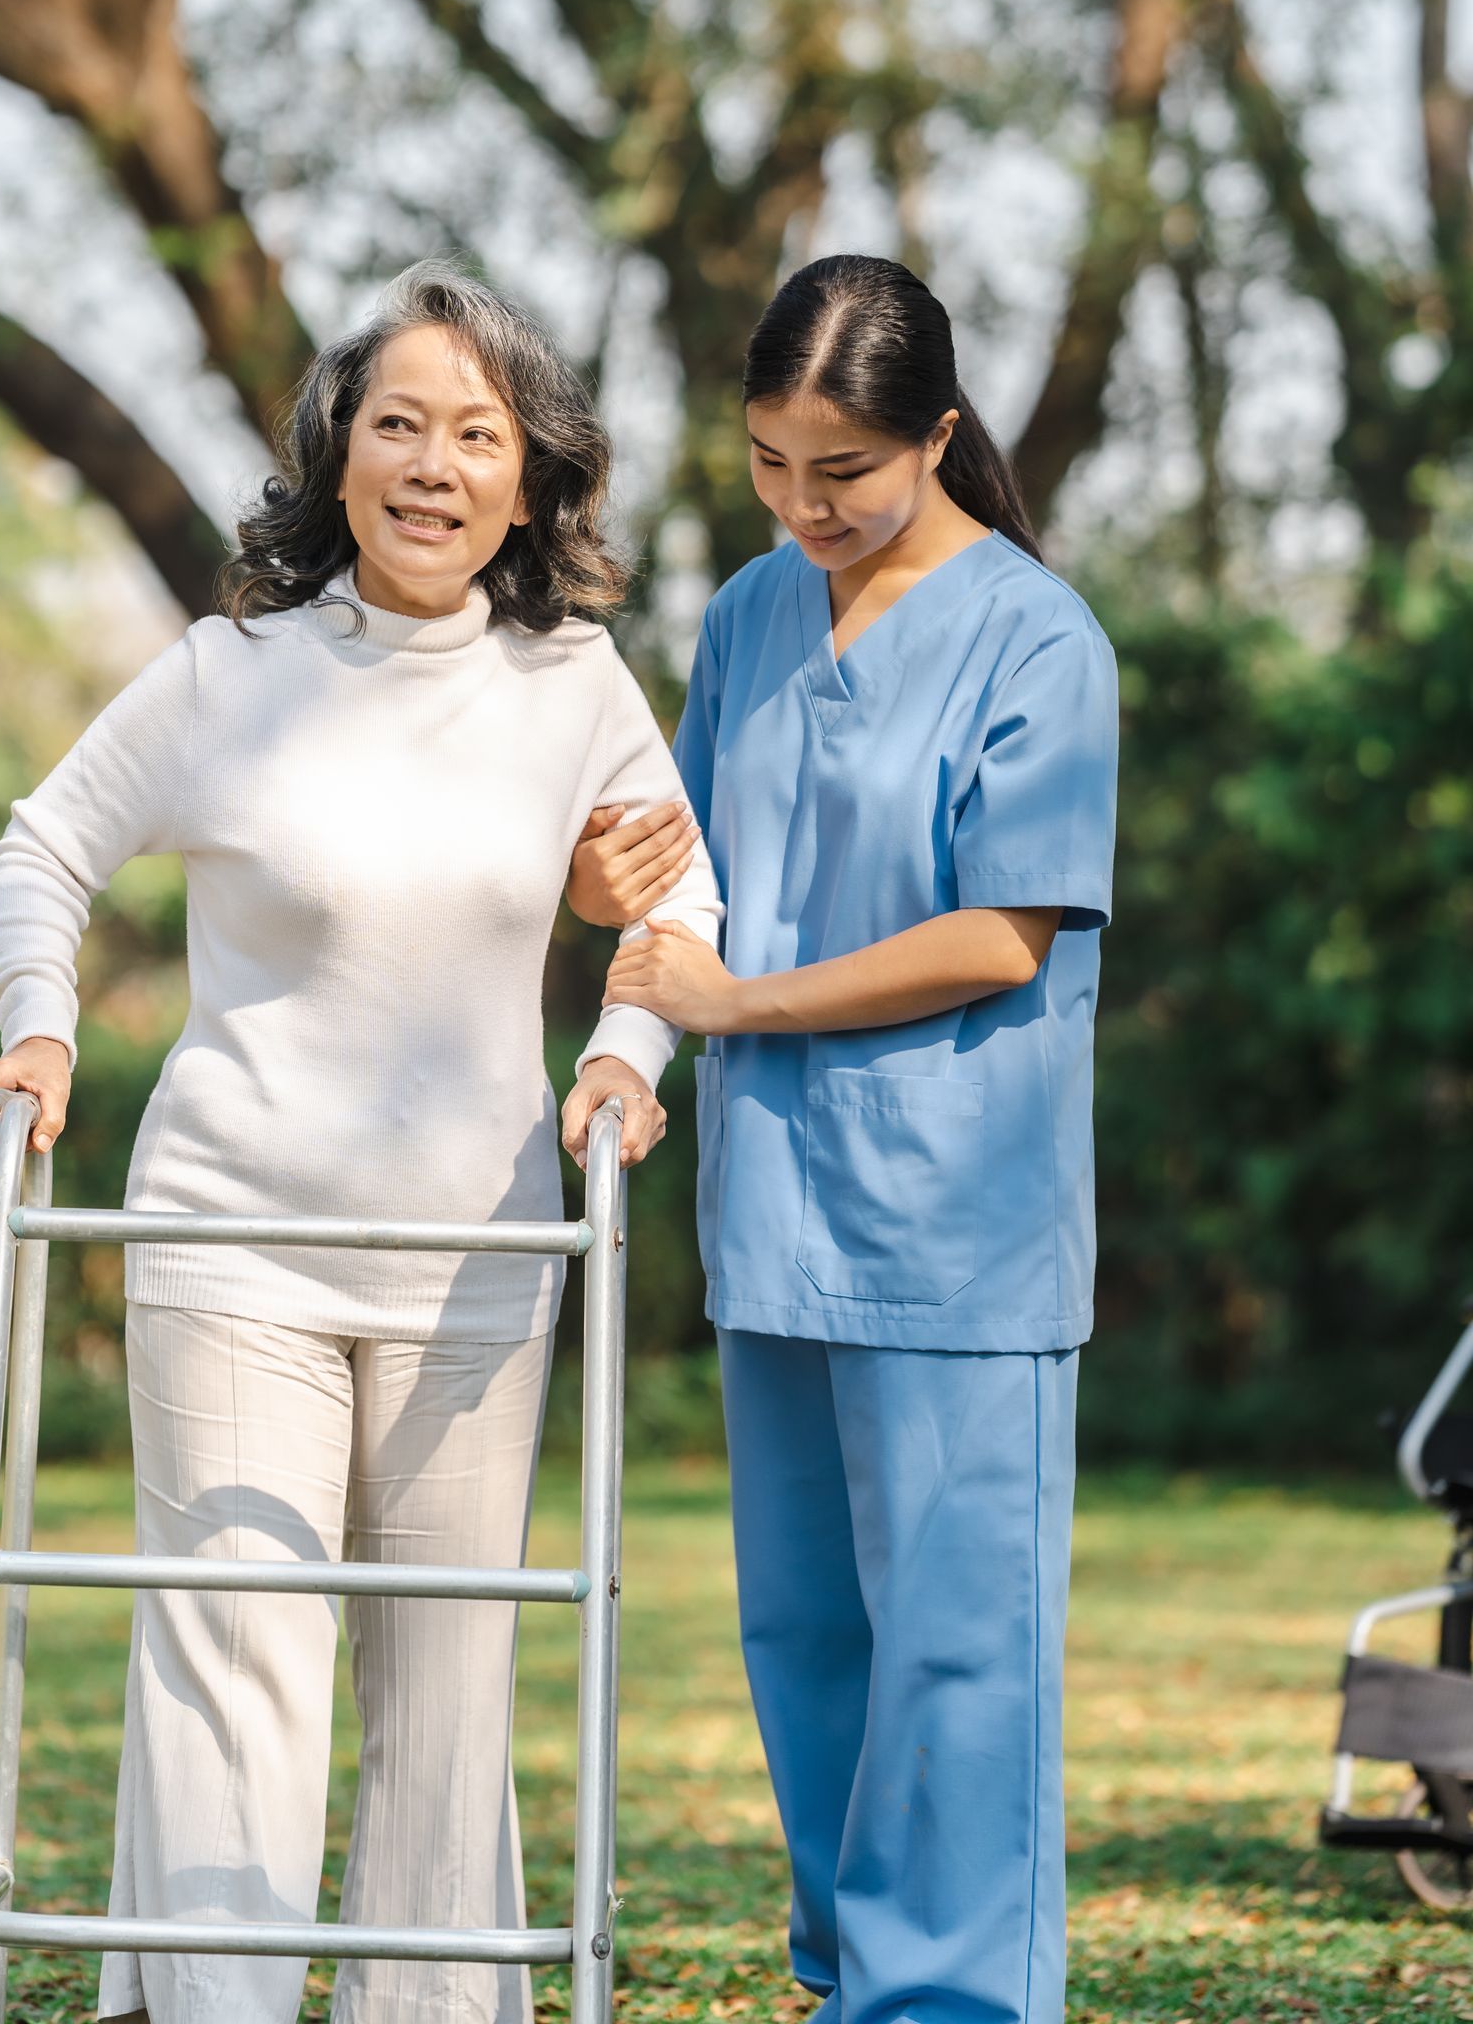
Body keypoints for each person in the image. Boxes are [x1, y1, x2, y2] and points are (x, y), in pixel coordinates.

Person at [0, 263, 719, 2024]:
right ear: (336, 452)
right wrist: (41, 1025)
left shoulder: (574, 681)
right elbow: (44, 842)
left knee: (449, 1698)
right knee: (239, 1667)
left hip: (484, 1262)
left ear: (532, 475)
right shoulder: (235, 671)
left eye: (479, 433)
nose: (436, 465)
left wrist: (623, 1050)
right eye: (398, 425)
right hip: (229, 1245)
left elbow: (684, 893)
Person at [574, 252, 1118, 2024]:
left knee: (959, 1660)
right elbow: (676, 868)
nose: (807, 507)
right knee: (808, 1645)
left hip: (963, 1229)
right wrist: (608, 894)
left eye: (848, 473)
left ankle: (952, 2004)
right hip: (777, 1217)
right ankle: (851, 1981)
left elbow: (1003, 934)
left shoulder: (1040, 636)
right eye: (770, 465)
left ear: (940, 438)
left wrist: (735, 1008)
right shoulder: (746, 616)